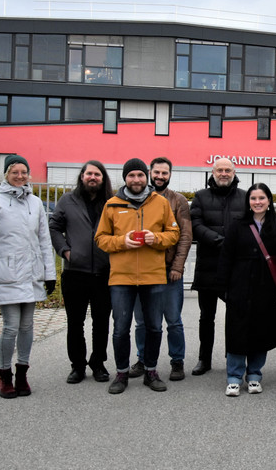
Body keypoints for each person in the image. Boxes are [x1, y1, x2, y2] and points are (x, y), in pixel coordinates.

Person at [95, 158, 180, 394]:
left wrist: (157, 239)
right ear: (125, 178)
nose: (136, 180)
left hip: (153, 276)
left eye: (140, 175)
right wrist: (122, 241)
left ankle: (151, 370)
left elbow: (174, 233)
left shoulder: (161, 203)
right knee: (121, 328)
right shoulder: (111, 205)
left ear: (147, 177)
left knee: (154, 327)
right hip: (121, 278)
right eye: (131, 175)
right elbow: (101, 239)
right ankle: (121, 373)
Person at [0, 154, 57, 399]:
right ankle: (4, 376)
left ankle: (22, 374)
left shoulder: (35, 203)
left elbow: (44, 240)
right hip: (5, 274)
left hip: (31, 274)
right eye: (14, 172)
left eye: (24, 172)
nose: (20, 176)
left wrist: (49, 274)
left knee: (28, 326)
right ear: (6, 175)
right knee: (10, 327)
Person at [218, 183, 276, 397]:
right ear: (248, 202)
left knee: (260, 331)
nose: (257, 202)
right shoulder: (237, 225)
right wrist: (223, 286)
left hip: (266, 287)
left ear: (269, 201)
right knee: (237, 331)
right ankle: (234, 377)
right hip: (239, 286)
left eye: (262, 198)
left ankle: (254, 375)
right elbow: (226, 257)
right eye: (253, 198)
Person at [49, 160, 113, 384]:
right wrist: (65, 251)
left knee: (101, 322)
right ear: (82, 176)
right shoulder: (68, 200)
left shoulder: (111, 202)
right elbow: (54, 227)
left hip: (105, 273)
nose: (92, 177)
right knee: (75, 322)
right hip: (75, 271)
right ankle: (77, 365)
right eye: (89, 174)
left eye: (97, 174)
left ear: (103, 178)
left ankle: (98, 363)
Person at [129, 157, 193, 382]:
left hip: (168, 270)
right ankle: (143, 358)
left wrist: (178, 266)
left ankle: (177, 360)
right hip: (142, 270)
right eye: (156, 172)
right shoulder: (136, 198)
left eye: (164, 173)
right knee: (142, 321)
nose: (160, 177)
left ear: (170, 175)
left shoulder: (179, 201)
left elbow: (185, 236)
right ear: (149, 172)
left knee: (173, 320)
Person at [189, 158, 246, 376]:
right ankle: (204, 359)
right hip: (208, 266)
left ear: (234, 172)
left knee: (236, 316)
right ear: (213, 172)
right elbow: (195, 225)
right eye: (220, 170)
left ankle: (233, 355)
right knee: (207, 317)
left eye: (227, 170)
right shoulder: (201, 196)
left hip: (235, 268)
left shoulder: (244, 197)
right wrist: (219, 241)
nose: (224, 173)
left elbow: (250, 225)